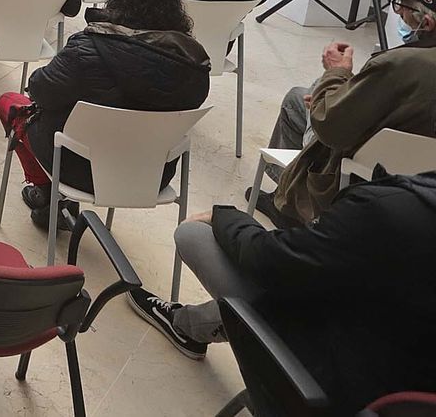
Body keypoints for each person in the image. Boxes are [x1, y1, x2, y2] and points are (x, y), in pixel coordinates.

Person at [124, 174, 436, 413]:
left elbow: (270, 261)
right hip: (402, 392)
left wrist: (226, 216)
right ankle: (189, 325)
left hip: (322, 387)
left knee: (195, 235)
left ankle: (187, 326)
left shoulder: (389, 210)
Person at [0, 0, 211, 230]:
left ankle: (47, 198)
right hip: (150, 175)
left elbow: (41, 90)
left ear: (118, 0)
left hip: (76, 168)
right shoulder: (195, 64)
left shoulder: (87, 48)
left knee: (9, 102)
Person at [258, 0, 436, 226]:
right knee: (314, 95)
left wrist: (336, 73)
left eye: (402, 5)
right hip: (423, 180)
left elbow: (330, 126)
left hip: (363, 170)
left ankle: (288, 205)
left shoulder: (399, 64)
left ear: (427, 23)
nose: (398, 13)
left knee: (296, 100)